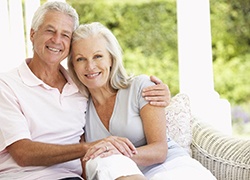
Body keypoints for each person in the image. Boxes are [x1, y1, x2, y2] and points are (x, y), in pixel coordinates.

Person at [0, 1, 170, 180]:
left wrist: (162, 93)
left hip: (73, 177)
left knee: (112, 162)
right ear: (33, 34)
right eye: (50, 30)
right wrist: (89, 147)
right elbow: (22, 153)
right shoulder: (7, 85)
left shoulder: (80, 87)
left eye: (65, 34)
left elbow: (112, 88)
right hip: (22, 177)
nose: (57, 40)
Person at [68, 22, 217, 180]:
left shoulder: (142, 87)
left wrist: (118, 152)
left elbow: (160, 150)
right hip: (119, 173)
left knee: (109, 158)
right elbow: (84, 164)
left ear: (111, 59)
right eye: (80, 59)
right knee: (106, 161)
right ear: (73, 66)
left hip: (170, 167)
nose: (90, 66)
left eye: (98, 56)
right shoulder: (79, 108)